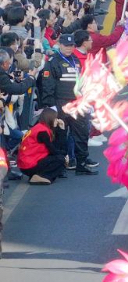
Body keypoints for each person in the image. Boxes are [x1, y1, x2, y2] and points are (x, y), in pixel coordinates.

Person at [40, 33, 98, 175]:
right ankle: (59, 166)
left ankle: (82, 164)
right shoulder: (53, 61)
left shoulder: (75, 59)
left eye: (71, 45)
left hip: (77, 102)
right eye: (66, 45)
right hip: (60, 103)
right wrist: (52, 106)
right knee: (60, 135)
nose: (69, 48)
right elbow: (47, 85)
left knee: (82, 132)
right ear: (60, 45)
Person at [17, 108, 66, 184]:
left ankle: (37, 175)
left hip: (26, 163)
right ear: (50, 118)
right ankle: (41, 176)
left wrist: (61, 129)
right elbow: (53, 150)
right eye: (56, 118)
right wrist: (64, 155)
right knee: (60, 159)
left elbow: (55, 147)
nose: (57, 120)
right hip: (30, 164)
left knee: (59, 157)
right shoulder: (43, 132)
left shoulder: (40, 128)